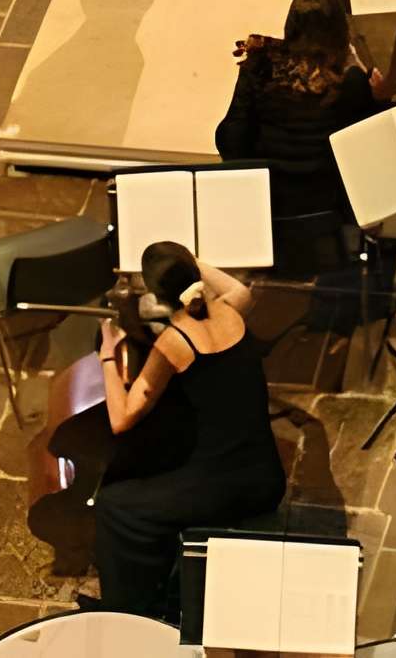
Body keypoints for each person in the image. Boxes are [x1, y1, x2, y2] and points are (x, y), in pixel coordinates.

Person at [88, 241, 289, 620]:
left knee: (117, 507)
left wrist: (108, 354)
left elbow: (122, 418)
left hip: (228, 486)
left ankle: (129, 611)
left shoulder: (175, 342)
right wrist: (186, 262)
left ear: (156, 294)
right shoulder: (232, 310)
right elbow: (235, 286)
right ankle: (157, 583)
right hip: (264, 473)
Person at [212, 0, 389, 245]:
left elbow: (230, 137)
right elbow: (369, 143)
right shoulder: (349, 80)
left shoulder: (260, 68)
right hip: (328, 203)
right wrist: (378, 100)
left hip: (269, 199)